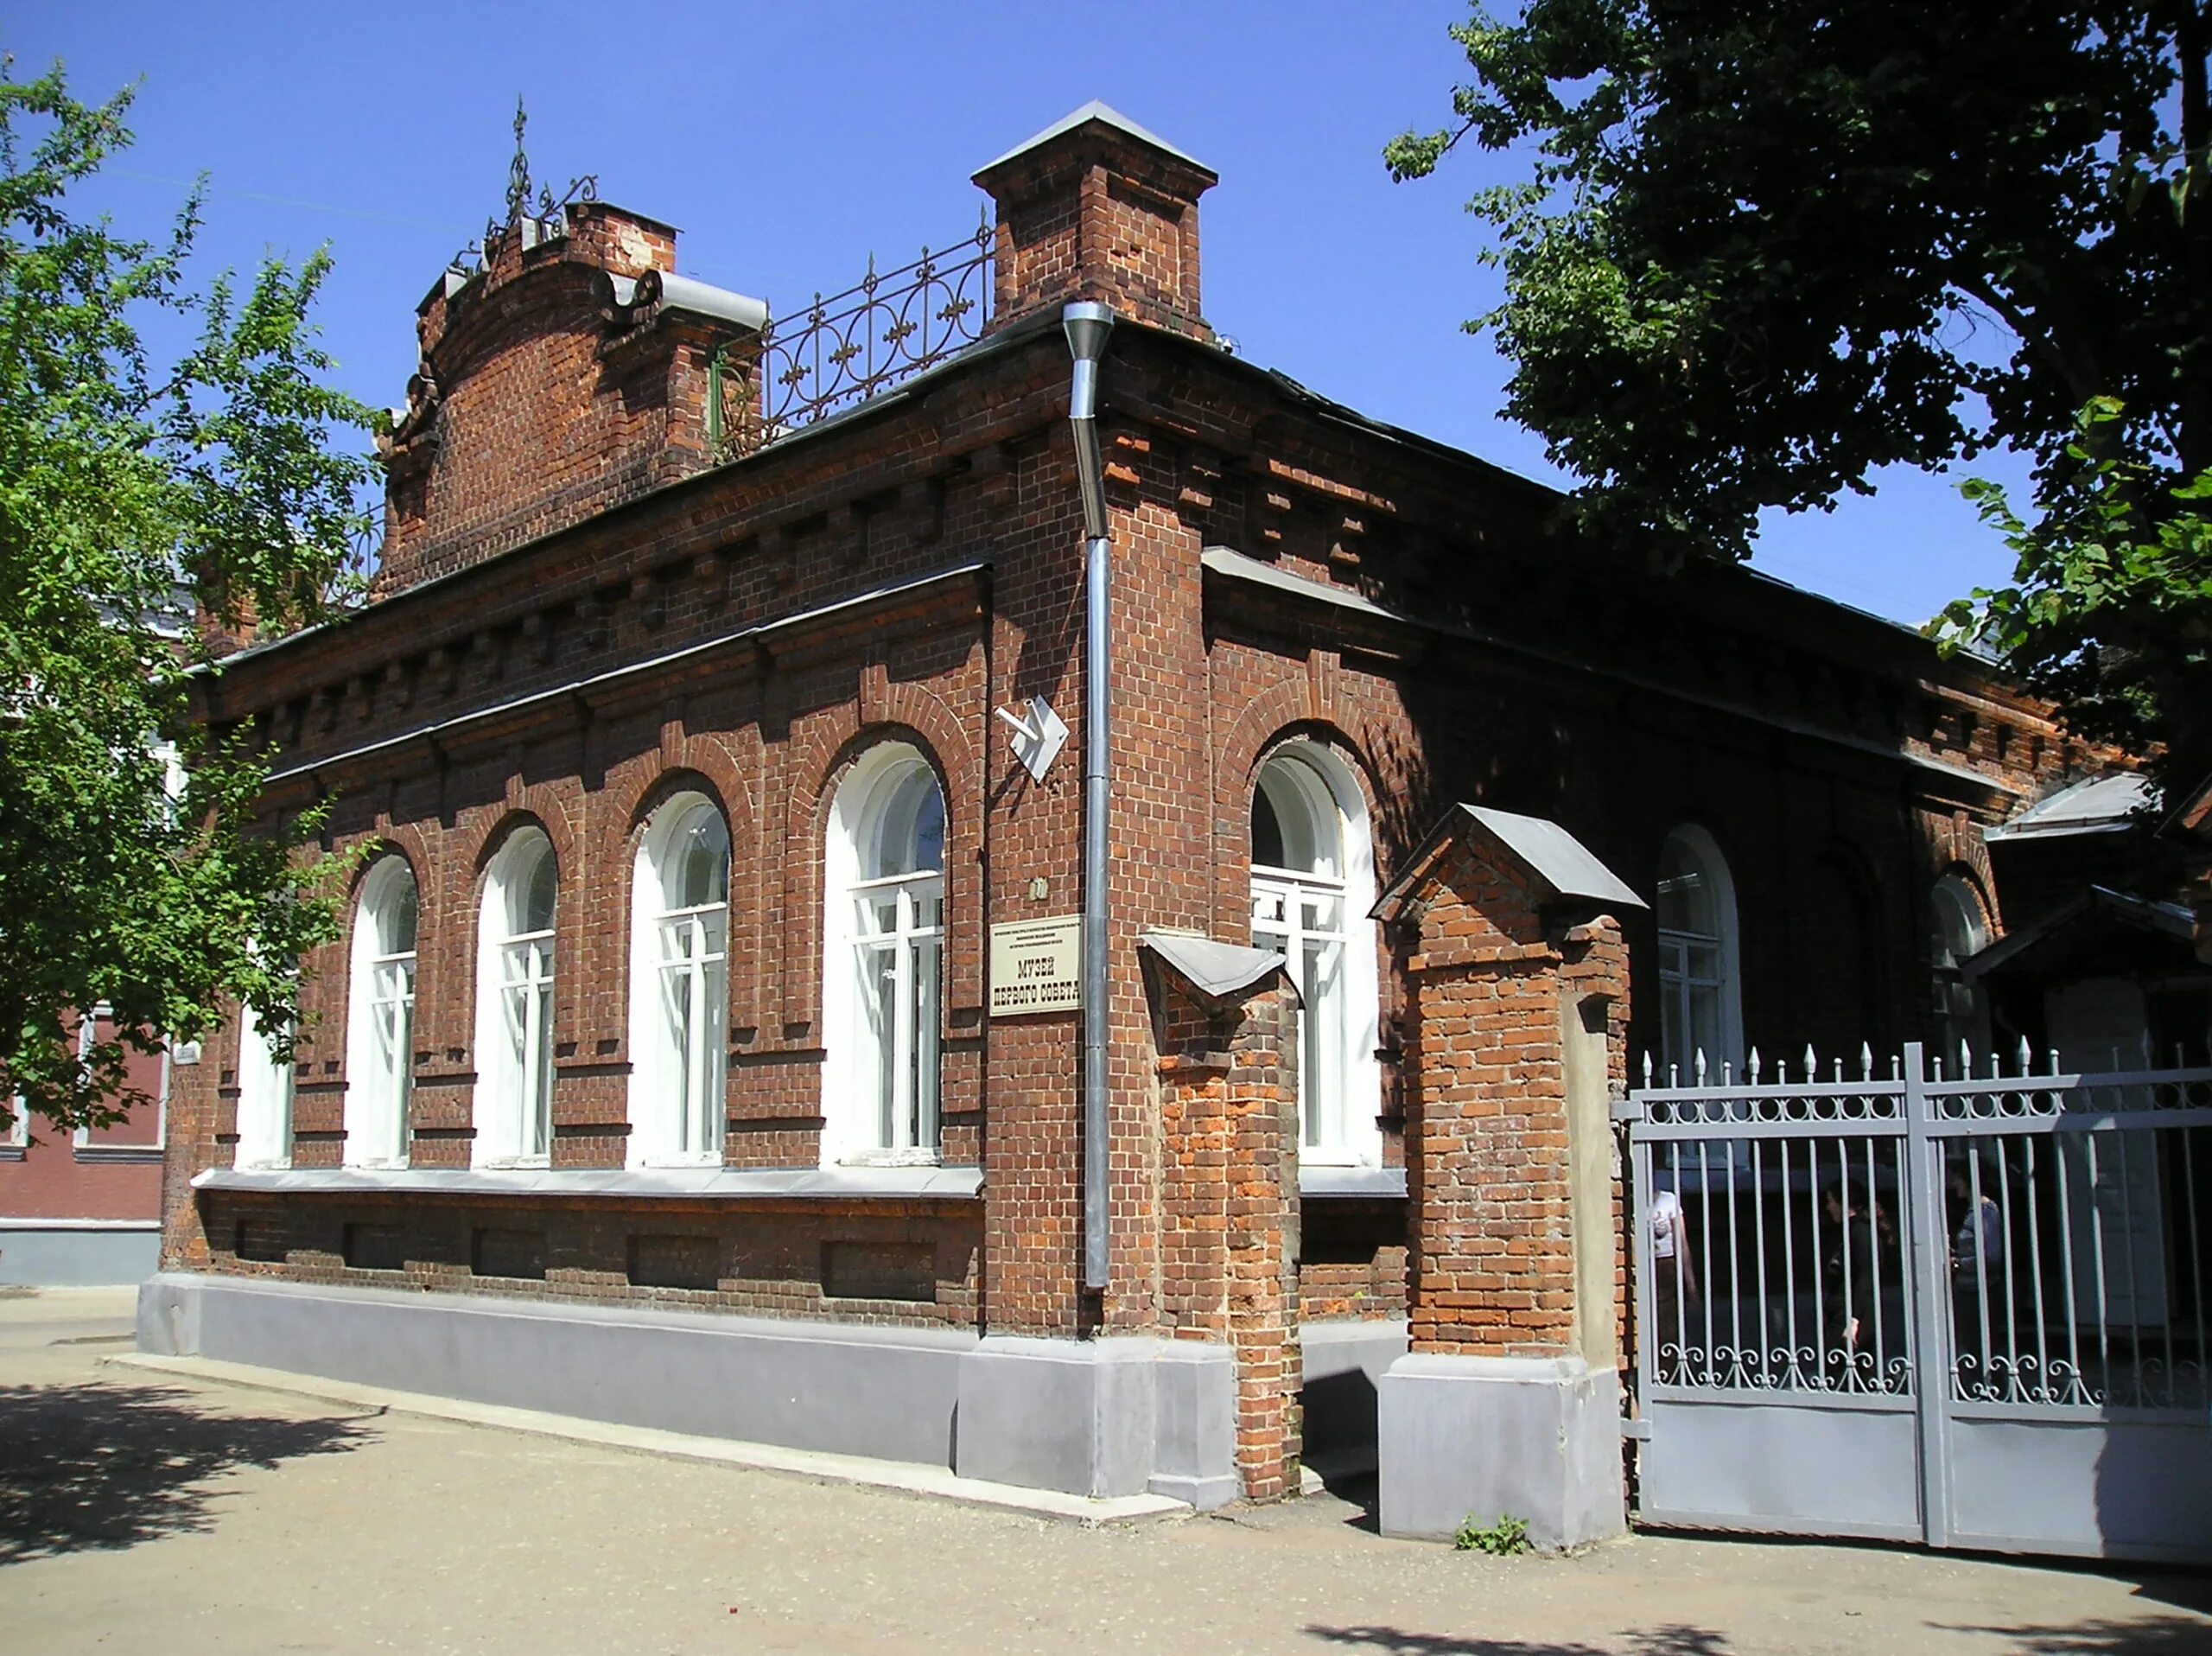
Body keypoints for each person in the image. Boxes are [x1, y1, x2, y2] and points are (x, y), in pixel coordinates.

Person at [1949, 1161, 2006, 1392]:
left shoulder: (1985, 1212)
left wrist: (1959, 1264)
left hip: (1981, 1292)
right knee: (1973, 1346)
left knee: (1982, 1347)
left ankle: (1992, 1389)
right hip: (1969, 1289)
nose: (1954, 1184)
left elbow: (1990, 1256)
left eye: (1957, 1179)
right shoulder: (1973, 1212)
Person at [1822, 1181, 1877, 1388]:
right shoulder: (1848, 1231)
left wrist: (1854, 1319)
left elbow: (1866, 1275)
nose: (1828, 1207)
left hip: (1851, 1316)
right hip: (1841, 1312)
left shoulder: (1860, 1232)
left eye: (1831, 1201)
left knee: (1845, 1374)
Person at [1649, 1183, 1699, 1379]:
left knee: (1667, 1324)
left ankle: (1669, 1372)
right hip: (1643, 1266)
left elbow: (1682, 1244)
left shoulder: (1668, 1200)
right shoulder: (1634, 1200)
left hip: (1666, 1267)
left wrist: (1691, 1286)